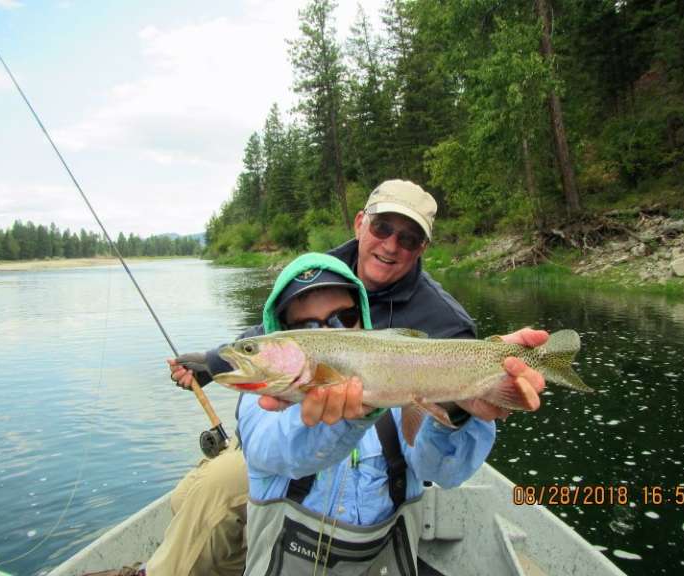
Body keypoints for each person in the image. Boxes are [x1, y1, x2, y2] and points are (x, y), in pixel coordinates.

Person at [148, 179, 546, 575]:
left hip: (388, 452)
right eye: (382, 228)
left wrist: (461, 410)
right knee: (205, 491)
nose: (391, 245)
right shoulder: (316, 276)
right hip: (299, 451)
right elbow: (271, 425)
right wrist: (212, 364)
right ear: (360, 224)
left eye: (407, 238)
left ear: (423, 247)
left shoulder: (447, 321)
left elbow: (438, 466)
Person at [234, 252, 522, 575]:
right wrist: (350, 418)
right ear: (281, 332)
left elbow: (442, 471)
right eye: (306, 326)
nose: (329, 335)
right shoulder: (261, 405)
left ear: (363, 317)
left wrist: (457, 407)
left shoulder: (398, 384)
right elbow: (280, 451)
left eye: (343, 319)